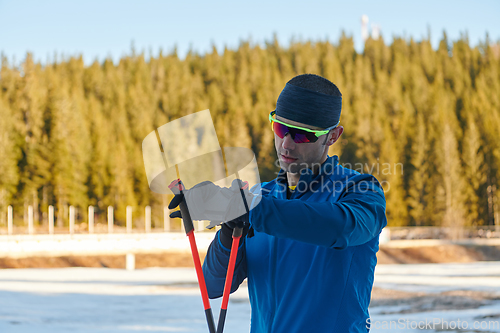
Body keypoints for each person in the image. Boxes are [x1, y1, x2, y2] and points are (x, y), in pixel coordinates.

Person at [171, 74, 387, 332]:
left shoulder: (360, 191)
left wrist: (250, 209)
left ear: (332, 136)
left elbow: (342, 228)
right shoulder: (260, 198)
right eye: (280, 128)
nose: (286, 144)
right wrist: (230, 230)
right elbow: (214, 286)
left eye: (301, 135)